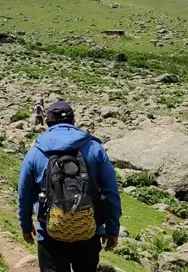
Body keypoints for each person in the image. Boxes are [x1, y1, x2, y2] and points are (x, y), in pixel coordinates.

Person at [17, 101, 122, 272]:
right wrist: (112, 229)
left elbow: (24, 193)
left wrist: (26, 226)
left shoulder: (36, 151)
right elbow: (111, 192)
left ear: (47, 122)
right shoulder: (94, 148)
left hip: (50, 231)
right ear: (74, 121)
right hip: (88, 230)